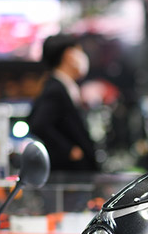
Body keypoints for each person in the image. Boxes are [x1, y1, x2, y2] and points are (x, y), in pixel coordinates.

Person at [28, 34, 98, 172]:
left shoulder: (64, 86)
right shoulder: (56, 89)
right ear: (68, 55)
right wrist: (69, 151)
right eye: (79, 50)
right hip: (68, 173)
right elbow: (38, 124)